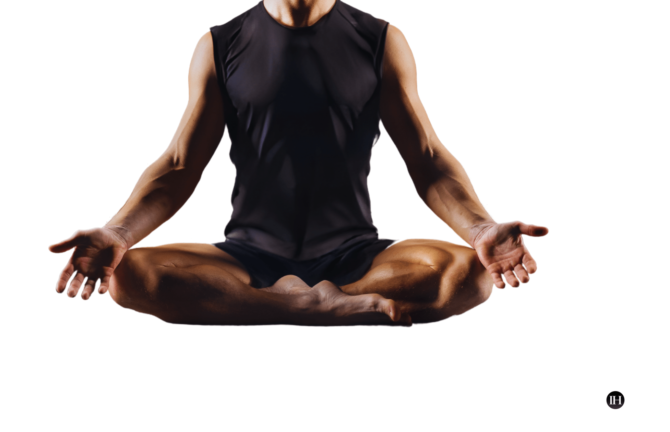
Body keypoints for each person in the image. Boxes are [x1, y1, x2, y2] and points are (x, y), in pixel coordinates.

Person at [49, 0, 548, 326]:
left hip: (358, 259)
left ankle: (302, 301)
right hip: (246, 259)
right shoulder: (220, 45)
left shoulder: (380, 40)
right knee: (128, 276)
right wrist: (118, 234)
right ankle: (313, 305)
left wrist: (479, 229)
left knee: (470, 274)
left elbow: (428, 159)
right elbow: (180, 165)